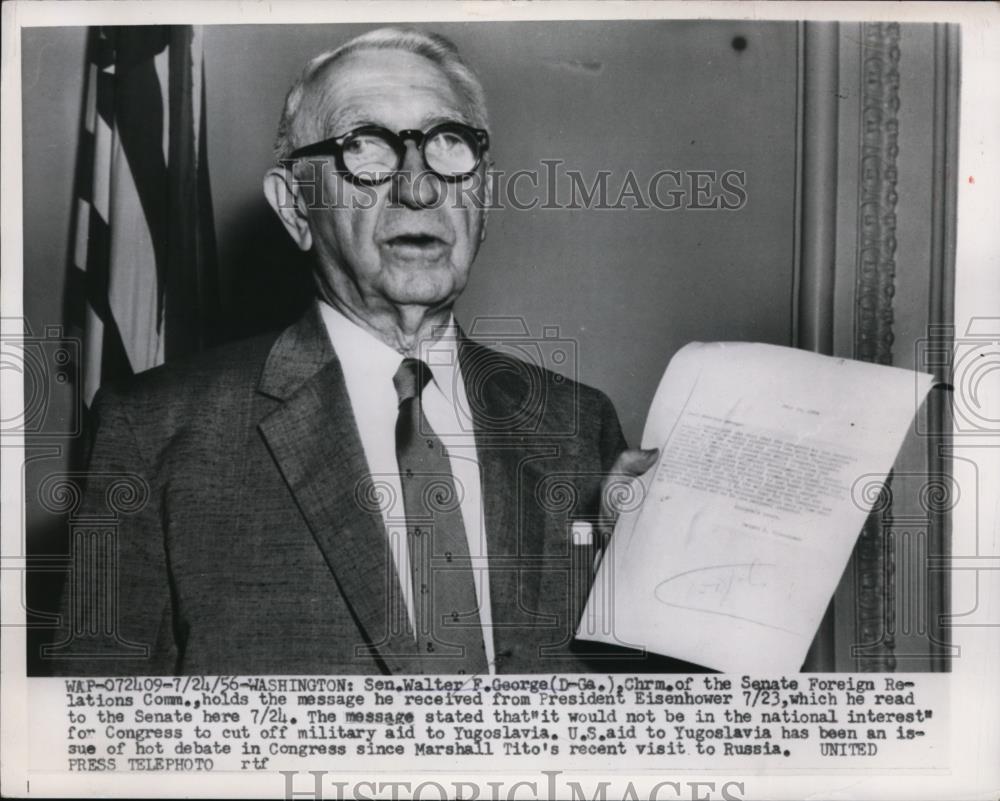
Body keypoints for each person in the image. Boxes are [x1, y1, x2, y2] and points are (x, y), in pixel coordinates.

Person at [51, 27, 664, 676]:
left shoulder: (577, 425)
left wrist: (666, 587)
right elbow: (92, 735)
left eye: (448, 144)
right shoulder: (155, 433)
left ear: (481, 194)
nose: (419, 188)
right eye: (364, 149)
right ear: (294, 209)